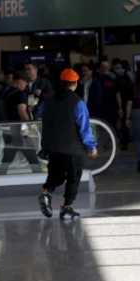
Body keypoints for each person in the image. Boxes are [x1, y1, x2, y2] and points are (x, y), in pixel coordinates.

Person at [38, 69, 99, 220]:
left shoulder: (49, 100)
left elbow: (41, 116)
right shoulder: (78, 103)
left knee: (56, 175)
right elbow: (84, 127)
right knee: (74, 176)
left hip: (52, 147)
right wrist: (91, 147)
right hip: (72, 148)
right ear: (75, 83)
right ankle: (67, 207)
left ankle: (46, 192)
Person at [0, 71, 41, 174]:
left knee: (8, 154)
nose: (26, 85)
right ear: (19, 81)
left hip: (6, 129)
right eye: (25, 82)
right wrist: (30, 125)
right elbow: (21, 111)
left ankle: (1, 173)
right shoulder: (20, 94)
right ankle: (38, 176)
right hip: (19, 130)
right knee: (31, 155)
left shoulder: (4, 92)